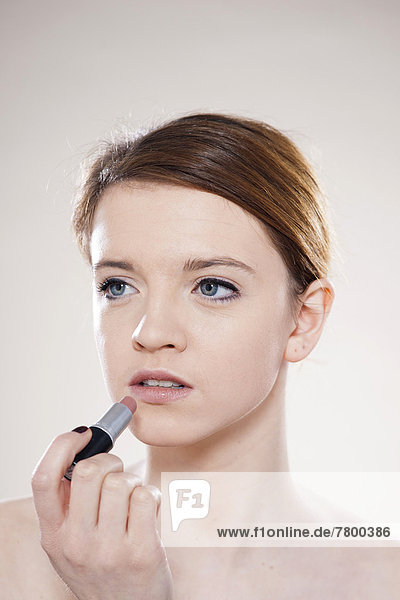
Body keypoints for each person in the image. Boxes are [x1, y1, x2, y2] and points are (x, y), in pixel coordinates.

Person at [0, 112, 398, 598]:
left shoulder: (381, 578)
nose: (150, 333)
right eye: (118, 286)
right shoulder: (11, 551)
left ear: (303, 320)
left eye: (212, 286)